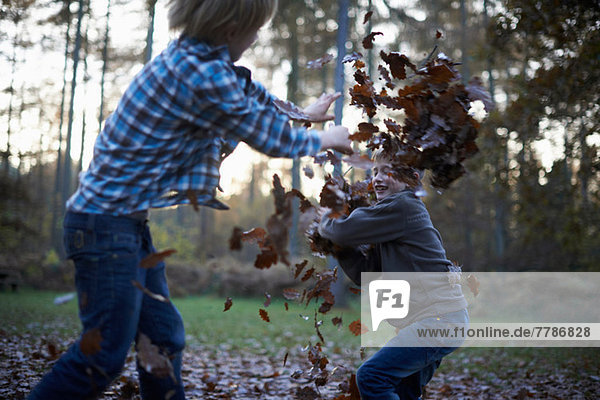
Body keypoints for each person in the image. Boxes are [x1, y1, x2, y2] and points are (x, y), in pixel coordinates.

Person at [28, 1, 351, 399]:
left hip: (122, 225)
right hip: (103, 228)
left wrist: (304, 113)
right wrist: (326, 139)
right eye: (254, 30)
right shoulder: (198, 72)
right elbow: (268, 138)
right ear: (232, 28)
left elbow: (248, 93)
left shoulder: (199, 60)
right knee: (103, 355)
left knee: (162, 337)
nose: (255, 40)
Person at [318, 149, 468, 400]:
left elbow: (342, 231)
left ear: (412, 178)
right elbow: (367, 274)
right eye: (375, 171)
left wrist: (326, 222)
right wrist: (338, 248)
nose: (377, 178)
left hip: (439, 320)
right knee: (404, 393)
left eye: (388, 171)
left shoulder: (403, 205)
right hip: (437, 321)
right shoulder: (392, 219)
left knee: (371, 377)